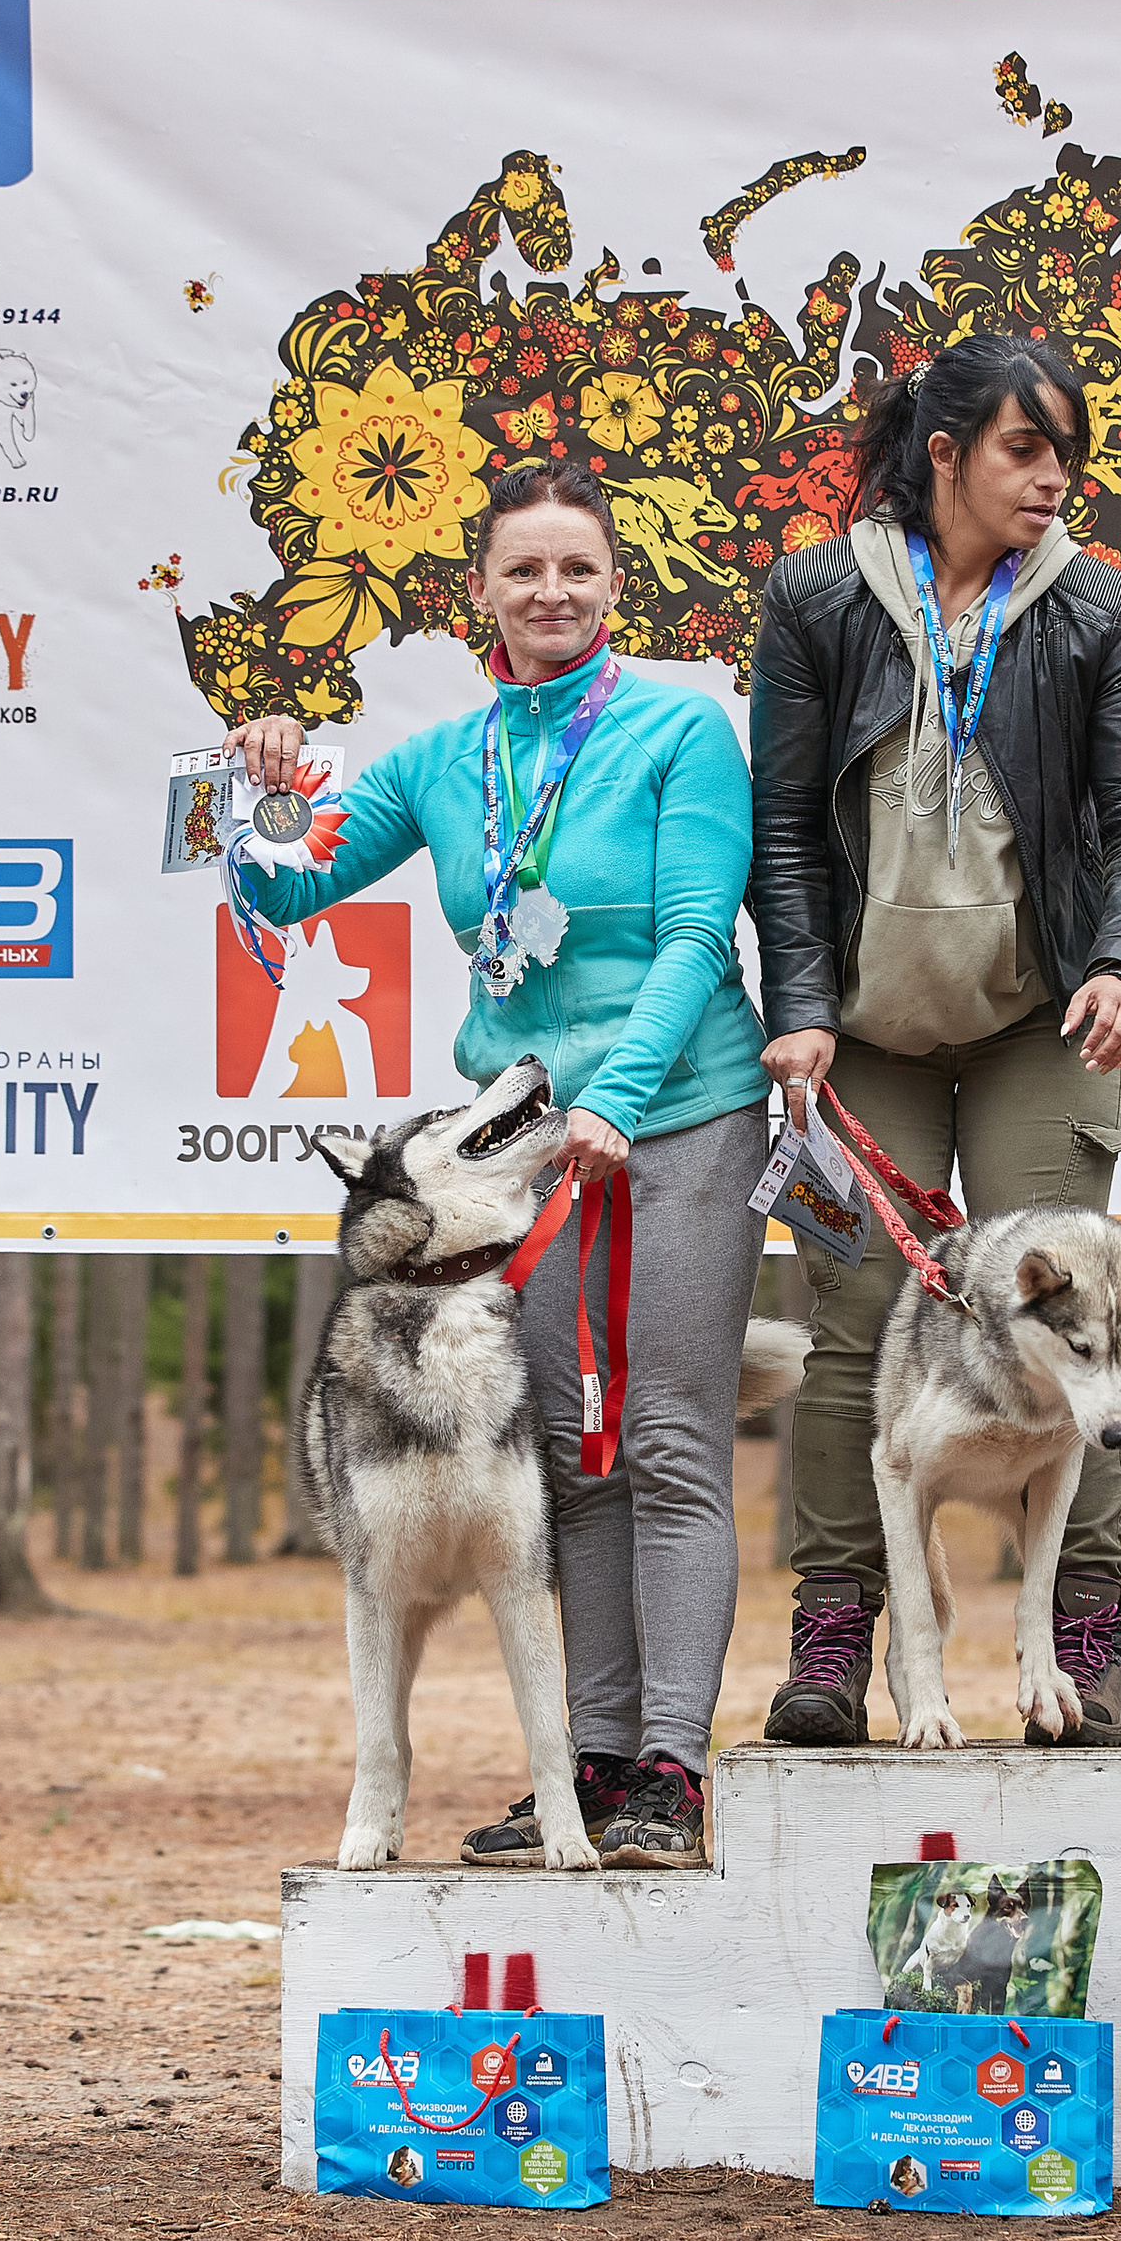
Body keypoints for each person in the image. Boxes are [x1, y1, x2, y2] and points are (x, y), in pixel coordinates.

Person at [225, 460, 768, 1870]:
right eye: (523, 569)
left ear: (614, 584)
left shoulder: (679, 730)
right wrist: (253, 790)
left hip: (683, 1111)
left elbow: (697, 939)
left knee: (666, 1442)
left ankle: (671, 1772)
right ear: (482, 589)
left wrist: (618, 1101)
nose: (551, 591)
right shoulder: (440, 762)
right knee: (569, 1460)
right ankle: (587, 1766)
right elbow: (288, 886)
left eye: (577, 568)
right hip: (532, 1146)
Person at [746, 332, 1121, 1747]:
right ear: (945, 453)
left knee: (1087, 1315)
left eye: (1068, 455)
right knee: (855, 1320)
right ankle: (834, 1630)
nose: (1054, 480)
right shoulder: (819, 595)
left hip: (1036, 1014)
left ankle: (1082, 1637)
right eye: (1024, 449)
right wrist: (800, 1003)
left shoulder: (1093, 602)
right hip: (862, 1025)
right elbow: (783, 825)